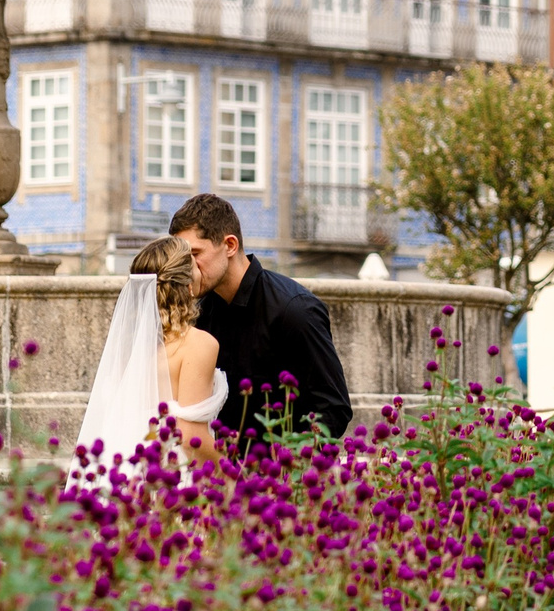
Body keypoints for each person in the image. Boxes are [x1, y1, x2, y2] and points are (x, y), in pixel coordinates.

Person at [169, 193, 352, 441]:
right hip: (215, 472)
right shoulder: (196, 312)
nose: (187, 267)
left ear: (230, 245)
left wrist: (285, 464)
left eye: (195, 254)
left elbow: (333, 409)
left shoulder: (294, 310)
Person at [74, 236, 228, 469]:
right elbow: (190, 438)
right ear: (187, 287)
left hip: (125, 470)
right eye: (194, 263)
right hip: (170, 476)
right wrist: (236, 478)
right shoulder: (198, 344)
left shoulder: (128, 348)